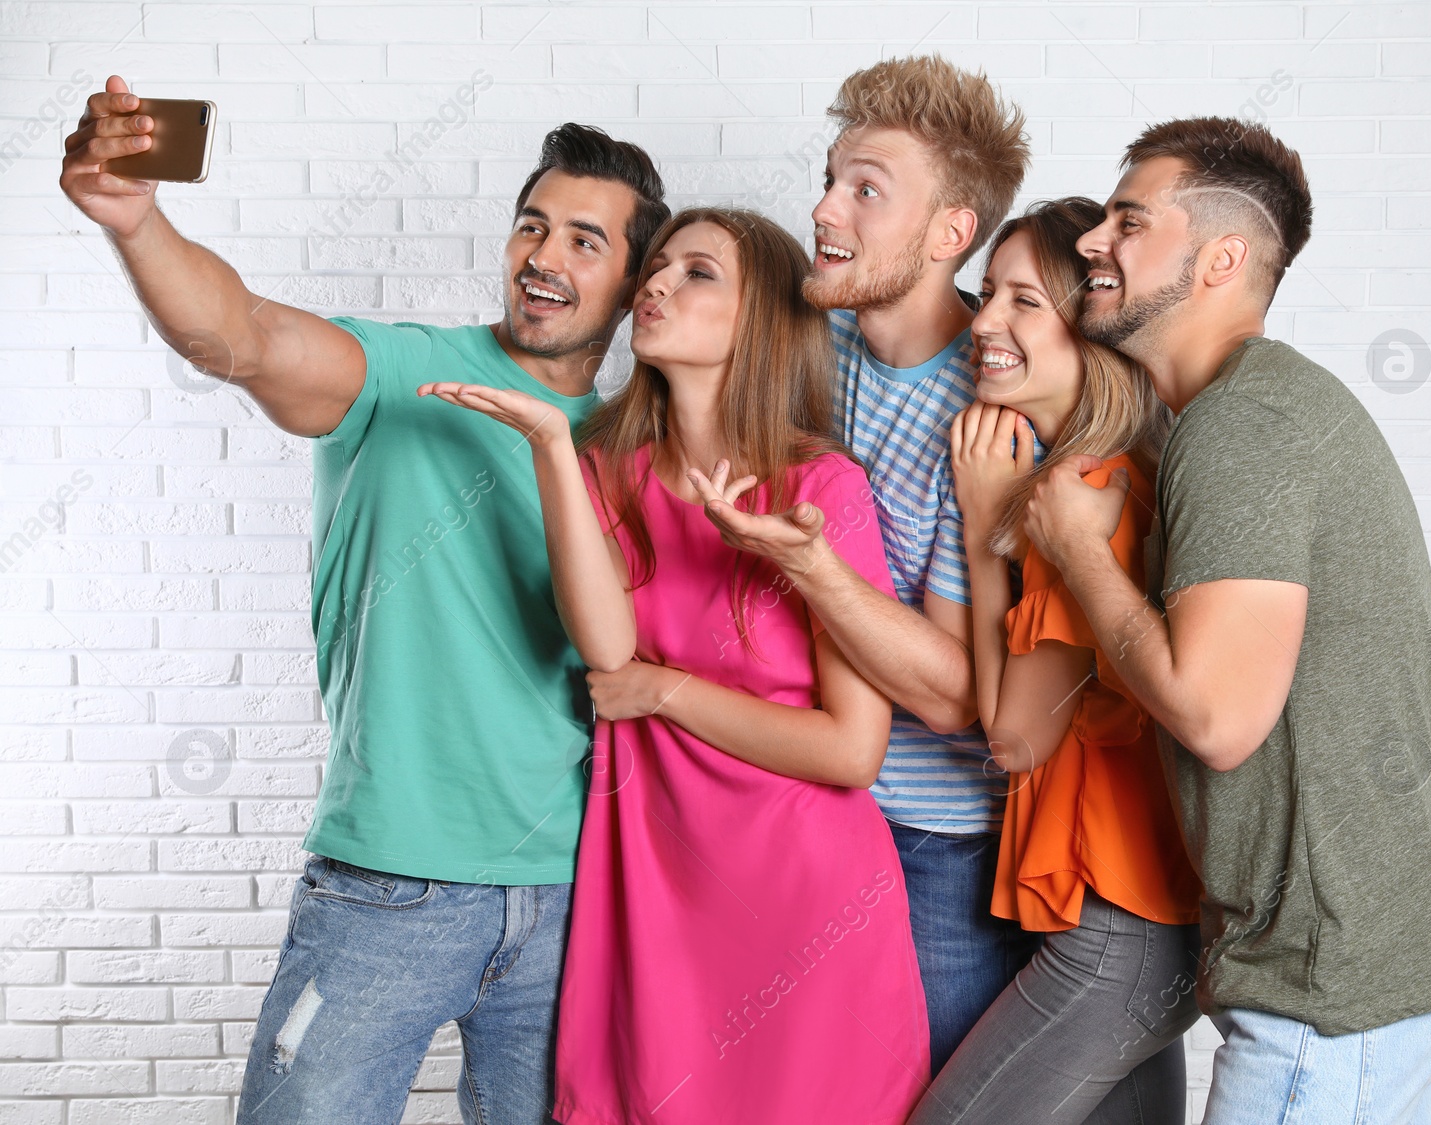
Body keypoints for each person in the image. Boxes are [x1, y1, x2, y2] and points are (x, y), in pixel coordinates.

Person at [60, 75, 670, 1124]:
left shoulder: (639, 447)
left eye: (584, 241)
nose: (544, 258)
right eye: (533, 227)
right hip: (386, 888)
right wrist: (139, 222)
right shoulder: (405, 376)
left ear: (628, 285)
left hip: (575, 894)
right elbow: (240, 335)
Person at [1025, 118, 1431, 1122]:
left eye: (1130, 220)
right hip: (1346, 973)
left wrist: (1070, 551)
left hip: (1327, 991)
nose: (1094, 242)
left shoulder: (1242, 426)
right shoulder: (1259, 412)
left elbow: (1215, 716)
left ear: (1220, 259)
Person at [419, 207, 928, 1125]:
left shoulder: (820, 489)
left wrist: (667, 690)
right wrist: (550, 449)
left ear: (759, 320)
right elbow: (607, 650)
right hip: (657, 897)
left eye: (697, 273)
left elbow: (852, 751)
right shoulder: (615, 473)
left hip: (807, 910)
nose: (655, 284)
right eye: (656, 267)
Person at [696, 55, 1037, 1074]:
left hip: (935, 847)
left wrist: (813, 571)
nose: (824, 208)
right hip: (793, 806)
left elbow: (949, 695)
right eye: (831, 178)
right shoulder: (806, 349)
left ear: (949, 235)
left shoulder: (990, 418)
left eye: (865, 190)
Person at [905, 198, 1204, 1124]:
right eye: (987, 292)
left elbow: (1014, 737)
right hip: (1144, 925)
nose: (983, 321)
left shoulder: (1084, 500)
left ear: (1092, 330)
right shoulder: (1113, 473)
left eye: (1022, 301)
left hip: (1122, 936)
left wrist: (986, 525)